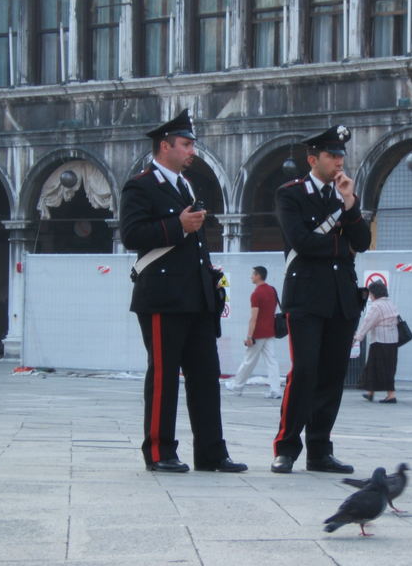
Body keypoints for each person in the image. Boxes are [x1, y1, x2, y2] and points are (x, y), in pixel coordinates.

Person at [120, 109, 247, 474]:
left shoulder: (188, 185)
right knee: (163, 375)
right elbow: (131, 235)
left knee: (205, 376)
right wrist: (177, 225)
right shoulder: (140, 185)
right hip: (162, 296)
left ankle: (212, 453)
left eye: (192, 144)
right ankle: (159, 451)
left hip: (196, 297)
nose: (193, 151)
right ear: (165, 146)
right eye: (186, 144)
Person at [271, 124, 371, 475]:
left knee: (331, 375)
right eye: (332, 155)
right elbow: (302, 241)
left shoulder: (343, 196)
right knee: (305, 371)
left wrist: (350, 203)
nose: (339, 161)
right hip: (306, 296)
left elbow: (363, 240)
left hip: (341, 297)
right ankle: (285, 447)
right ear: (313, 159)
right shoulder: (291, 194)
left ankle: (319, 449)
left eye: (342, 155)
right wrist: (341, 245)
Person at [225, 266, 282, 399]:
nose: (251, 277)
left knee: (248, 360)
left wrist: (249, 336)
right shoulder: (272, 290)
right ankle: (275, 390)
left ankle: (237, 386)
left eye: (253, 274)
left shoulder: (256, 294)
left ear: (258, 276)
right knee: (272, 361)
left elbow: (254, 317)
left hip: (258, 333)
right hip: (270, 331)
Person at [353, 280, 400, 404]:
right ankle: (370, 392)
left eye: (370, 293)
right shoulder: (390, 303)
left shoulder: (377, 306)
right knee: (384, 367)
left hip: (380, 341)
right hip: (392, 341)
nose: (369, 296)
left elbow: (368, 322)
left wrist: (357, 337)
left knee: (378, 367)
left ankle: (391, 395)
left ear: (374, 293)